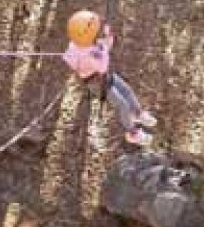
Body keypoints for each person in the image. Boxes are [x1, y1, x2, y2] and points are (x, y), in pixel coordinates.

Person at [63, 10, 156, 146]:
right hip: (97, 82)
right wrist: (104, 49)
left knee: (127, 90)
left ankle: (138, 113)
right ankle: (133, 133)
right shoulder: (89, 54)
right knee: (122, 105)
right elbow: (102, 66)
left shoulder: (81, 43)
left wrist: (107, 36)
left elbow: (101, 45)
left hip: (105, 76)